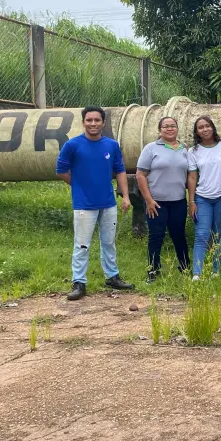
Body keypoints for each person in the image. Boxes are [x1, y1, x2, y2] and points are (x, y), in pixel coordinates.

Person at [56, 106, 134, 300]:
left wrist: (125, 196)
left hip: (108, 203)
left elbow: (120, 170)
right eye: (89, 120)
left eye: (97, 120)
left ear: (103, 123)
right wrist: (78, 185)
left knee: (109, 242)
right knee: (82, 245)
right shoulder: (72, 145)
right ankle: (79, 283)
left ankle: (112, 277)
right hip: (84, 204)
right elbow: (61, 171)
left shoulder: (111, 145)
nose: (93, 123)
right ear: (83, 122)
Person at [136, 116, 190, 282]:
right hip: (156, 202)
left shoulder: (184, 149)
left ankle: (185, 268)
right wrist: (149, 200)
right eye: (166, 126)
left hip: (179, 201)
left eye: (173, 125)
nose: (170, 128)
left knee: (179, 235)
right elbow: (140, 175)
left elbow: (190, 174)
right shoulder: (151, 148)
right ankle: (153, 271)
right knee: (156, 236)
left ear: (177, 128)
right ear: (159, 130)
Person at [187, 116, 221, 280]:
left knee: (219, 234)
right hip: (202, 198)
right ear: (197, 132)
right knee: (201, 235)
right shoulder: (193, 151)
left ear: (213, 127)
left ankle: (216, 271)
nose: (205, 129)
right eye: (201, 127)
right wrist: (192, 201)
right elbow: (192, 177)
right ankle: (197, 273)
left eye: (207, 126)